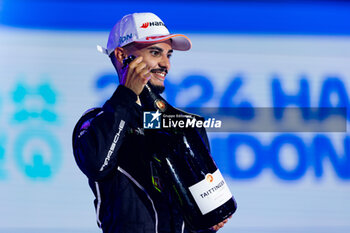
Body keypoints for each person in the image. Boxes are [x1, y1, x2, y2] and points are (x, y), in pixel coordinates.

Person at [72, 12, 230, 233]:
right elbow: (97, 165)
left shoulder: (183, 124)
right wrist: (127, 93)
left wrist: (210, 222)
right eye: (155, 52)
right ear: (121, 56)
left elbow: (202, 212)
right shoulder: (93, 124)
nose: (165, 64)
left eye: (169, 55)